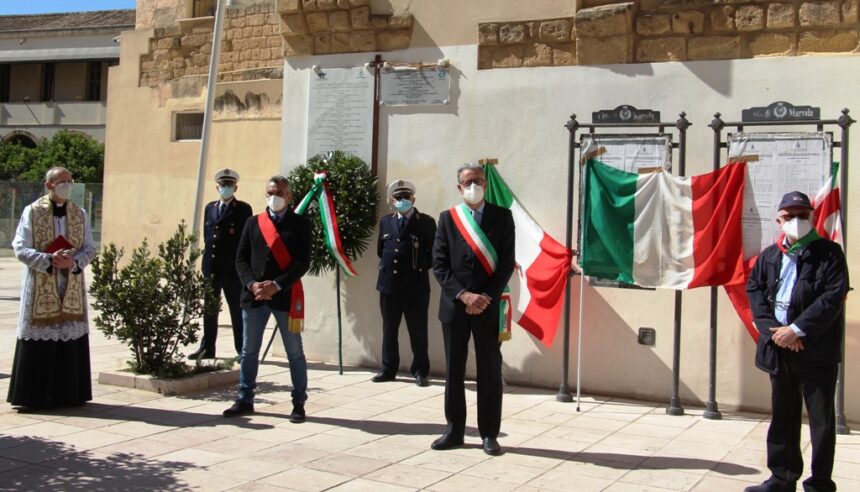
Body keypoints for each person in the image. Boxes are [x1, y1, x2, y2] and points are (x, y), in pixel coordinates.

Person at [745, 191, 848, 492]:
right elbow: (755, 293)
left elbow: (832, 298)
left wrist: (798, 330)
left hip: (817, 352)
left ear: (812, 218)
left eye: (802, 215)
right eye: (789, 216)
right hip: (780, 351)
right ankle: (781, 478)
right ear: (778, 220)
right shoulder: (769, 256)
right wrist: (778, 332)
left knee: (822, 423)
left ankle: (819, 484)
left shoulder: (829, 253)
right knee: (783, 419)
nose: (796, 221)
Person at [431, 162, 515, 456]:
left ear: (485, 184)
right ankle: (454, 430)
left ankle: (489, 434)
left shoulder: (503, 217)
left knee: (489, 371)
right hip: (456, 307)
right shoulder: (448, 219)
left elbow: (506, 264)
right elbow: (439, 266)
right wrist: (464, 296)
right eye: (467, 182)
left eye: (478, 180)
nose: (473, 186)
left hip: (488, 307)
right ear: (459, 187)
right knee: (454, 370)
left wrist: (484, 298)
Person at [223, 175, 311, 423]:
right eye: (271, 192)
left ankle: (298, 402)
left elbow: (303, 262)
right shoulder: (253, 223)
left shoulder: (300, 225)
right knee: (249, 351)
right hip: (254, 297)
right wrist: (252, 284)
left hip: (284, 297)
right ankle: (245, 398)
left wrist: (276, 284)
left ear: (289, 196)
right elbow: (241, 258)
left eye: (280, 193)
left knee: (295, 352)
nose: (275, 197)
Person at [8, 167, 97, 410]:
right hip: (41, 284)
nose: (66, 185)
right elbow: (19, 247)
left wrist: (74, 261)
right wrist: (48, 259)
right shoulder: (32, 212)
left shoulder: (80, 214)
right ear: (49, 185)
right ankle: (34, 397)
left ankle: (69, 394)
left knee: (68, 334)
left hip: (70, 283)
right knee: (40, 336)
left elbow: (90, 248)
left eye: (69, 181)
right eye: (61, 182)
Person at [373, 179, 436, 386]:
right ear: (392, 201)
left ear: (413, 199)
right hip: (389, 285)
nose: (402, 201)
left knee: (418, 330)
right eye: (398, 198)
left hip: (415, 286)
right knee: (389, 329)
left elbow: (432, 254)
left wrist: (414, 268)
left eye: (406, 197)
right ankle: (388, 369)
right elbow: (381, 250)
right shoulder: (386, 222)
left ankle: (420, 371)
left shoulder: (426, 222)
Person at [189, 168, 253, 360]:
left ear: (236, 187)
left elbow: (245, 240)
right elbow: (209, 238)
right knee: (209, 310)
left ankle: (242, 349)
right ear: (217, 186)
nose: (226, 187)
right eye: (223, 185)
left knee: (236, 309)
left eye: (229, 185)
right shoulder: (210, 208)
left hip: (232, 269)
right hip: (212, 267)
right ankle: (207, 347)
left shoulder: (242, 209)